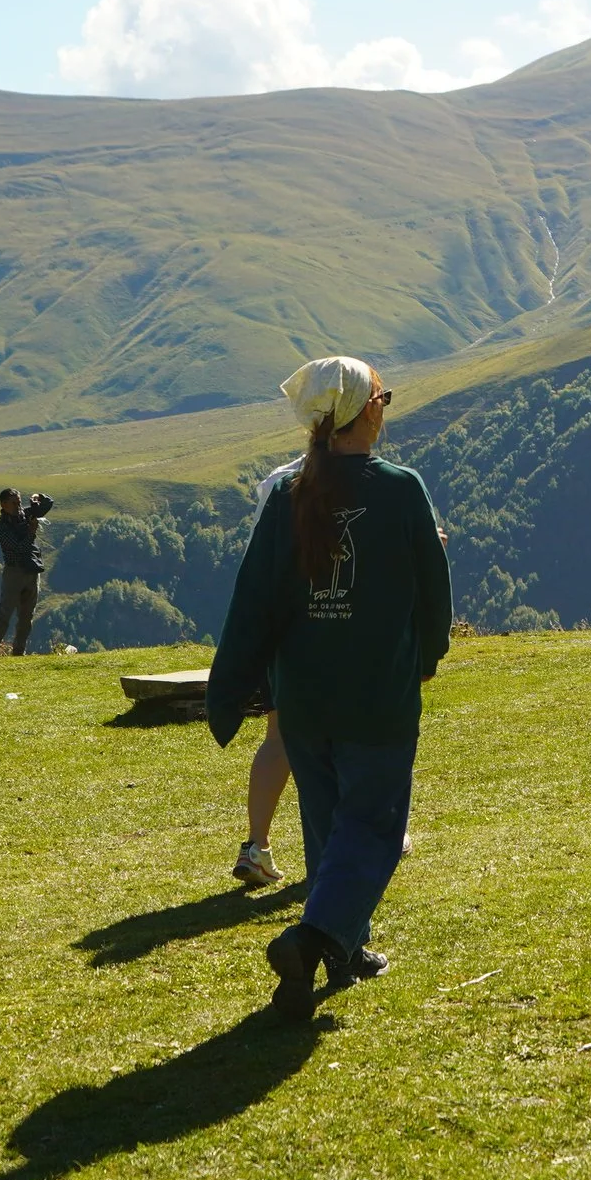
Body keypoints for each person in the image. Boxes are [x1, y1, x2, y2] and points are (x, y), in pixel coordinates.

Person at [207, 356, 453, 1021]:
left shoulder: (291, 493)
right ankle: (313, 939)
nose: (386, 407)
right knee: (373, 825)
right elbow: (434, 588)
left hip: (305, 698)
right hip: (376, 695)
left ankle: (343, 952)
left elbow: (254, 598)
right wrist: (429, 653)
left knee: (326, 827)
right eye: (384, 396)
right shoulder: (400, 489)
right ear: (364, 410)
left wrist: (232, 685)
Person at [232, 449, 305, 890]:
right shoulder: (352, 478)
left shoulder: (276, 481)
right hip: (326, 625)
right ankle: (361, 837)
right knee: (349, 737)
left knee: (278, 738)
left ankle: (256, 846)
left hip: (274, 625)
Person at [0, 488, 51, 657]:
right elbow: (19, 548)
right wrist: (31, 532)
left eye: (19, 502)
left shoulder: (25, 515)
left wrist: (37, 497)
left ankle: (19, 652)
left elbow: (48, 504)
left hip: (31, 571)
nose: (18, 506)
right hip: (14, 572)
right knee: (5, 614)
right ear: (3, 504)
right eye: (14, 503)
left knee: (27, 615)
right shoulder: (2, 528)